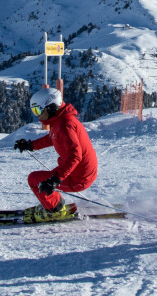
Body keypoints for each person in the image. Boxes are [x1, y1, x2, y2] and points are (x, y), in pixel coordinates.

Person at [13, 85, 98, 221]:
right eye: (34, 111)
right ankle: (54, 204)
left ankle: (56, 211)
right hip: (80, 172)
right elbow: (53, 137)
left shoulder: (65, 125)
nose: (37, 115)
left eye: (38, 110)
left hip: (80, 177)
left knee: (35, 180)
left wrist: (54, 180)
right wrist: (31, 145)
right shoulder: (60, 121)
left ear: (51, 107)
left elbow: (75, 157)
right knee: (39, 179)